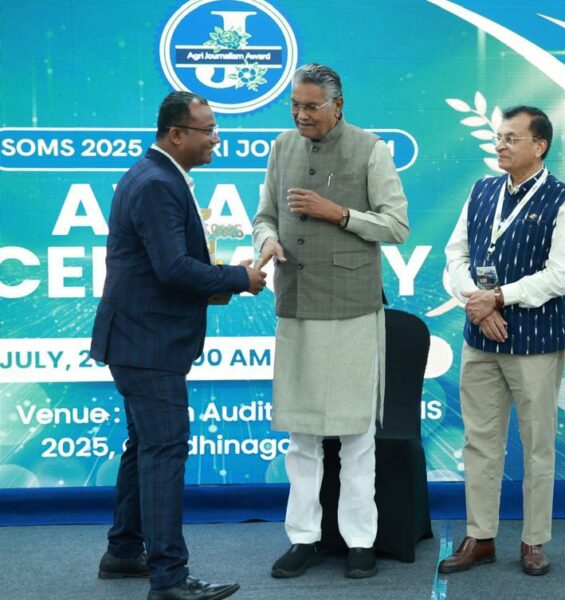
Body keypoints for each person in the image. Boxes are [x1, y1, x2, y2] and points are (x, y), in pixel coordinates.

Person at [91, 90, 265, 600]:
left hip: (141, 338)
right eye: (207, 130)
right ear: (175, 134)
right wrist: (239, 278)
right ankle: (168, 579)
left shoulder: (158, 176)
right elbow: (171, 268)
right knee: (165, 450)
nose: (216, 139)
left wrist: (217, 283)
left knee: (146, 445)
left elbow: (159, 267)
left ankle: (124, 551)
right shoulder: (156, 183)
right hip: (146, 343)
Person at [253, 63, 409, 580]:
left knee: (355, 434)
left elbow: (397, 226)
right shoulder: (282, 147)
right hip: (297, 302)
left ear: (338, 105)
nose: (301, 115)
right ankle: (304, 538)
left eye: (311, 106)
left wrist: (337, 213)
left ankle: (360, 541)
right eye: (295, 106)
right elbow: (264, 216)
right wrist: (267, 241)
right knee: (301, 434)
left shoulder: (370, 149)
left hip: (352, 307)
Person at [438, 106, 565, 576]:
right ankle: (480, 536)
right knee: (480, 442)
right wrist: (478, 304)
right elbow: (456, 254)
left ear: (539, 146)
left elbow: (559, 276)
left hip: (535, 342)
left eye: (510, 138)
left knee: (537, 444)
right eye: (498, 137)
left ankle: (533, 541)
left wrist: (499, 297)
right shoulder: (481, 190)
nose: (499, 145)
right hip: (480, 338)